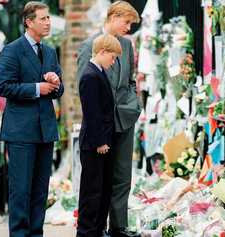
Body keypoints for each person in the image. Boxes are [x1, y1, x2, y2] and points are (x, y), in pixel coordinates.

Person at [0, 2, 64, 237]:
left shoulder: (50, 51)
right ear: (29, 21)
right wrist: (38, 88)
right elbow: (3, 86)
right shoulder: (12, 50)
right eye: (43, 18)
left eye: (48, 18)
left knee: (40, 191)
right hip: (21, 131)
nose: (48, 22)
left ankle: (36, 234)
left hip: (45, 129)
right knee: (21, 190)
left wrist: (55, 83)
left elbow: (58, 90)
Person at [77, 1, 141, 237]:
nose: (128, 28)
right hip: (103, 122)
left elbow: (131, 80)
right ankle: (97, 228)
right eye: (126, 22)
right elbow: (85, 87)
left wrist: (134, 105)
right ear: (114, 17)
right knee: (99, 178)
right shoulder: (90, 46)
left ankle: (118, 226)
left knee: (122, 174)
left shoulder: (127, 45)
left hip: (125, 117)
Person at [77, 33, 122, 237]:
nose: (113, 62)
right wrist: (100, 141)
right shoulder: (89, 76)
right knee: (92, 191)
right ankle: (86, 232)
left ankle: (96, 230)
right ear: (102, 52)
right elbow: (92, 112)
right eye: (112, 57)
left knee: (103, 190)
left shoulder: (98, 72)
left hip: (103, 141)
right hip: (95, 143)